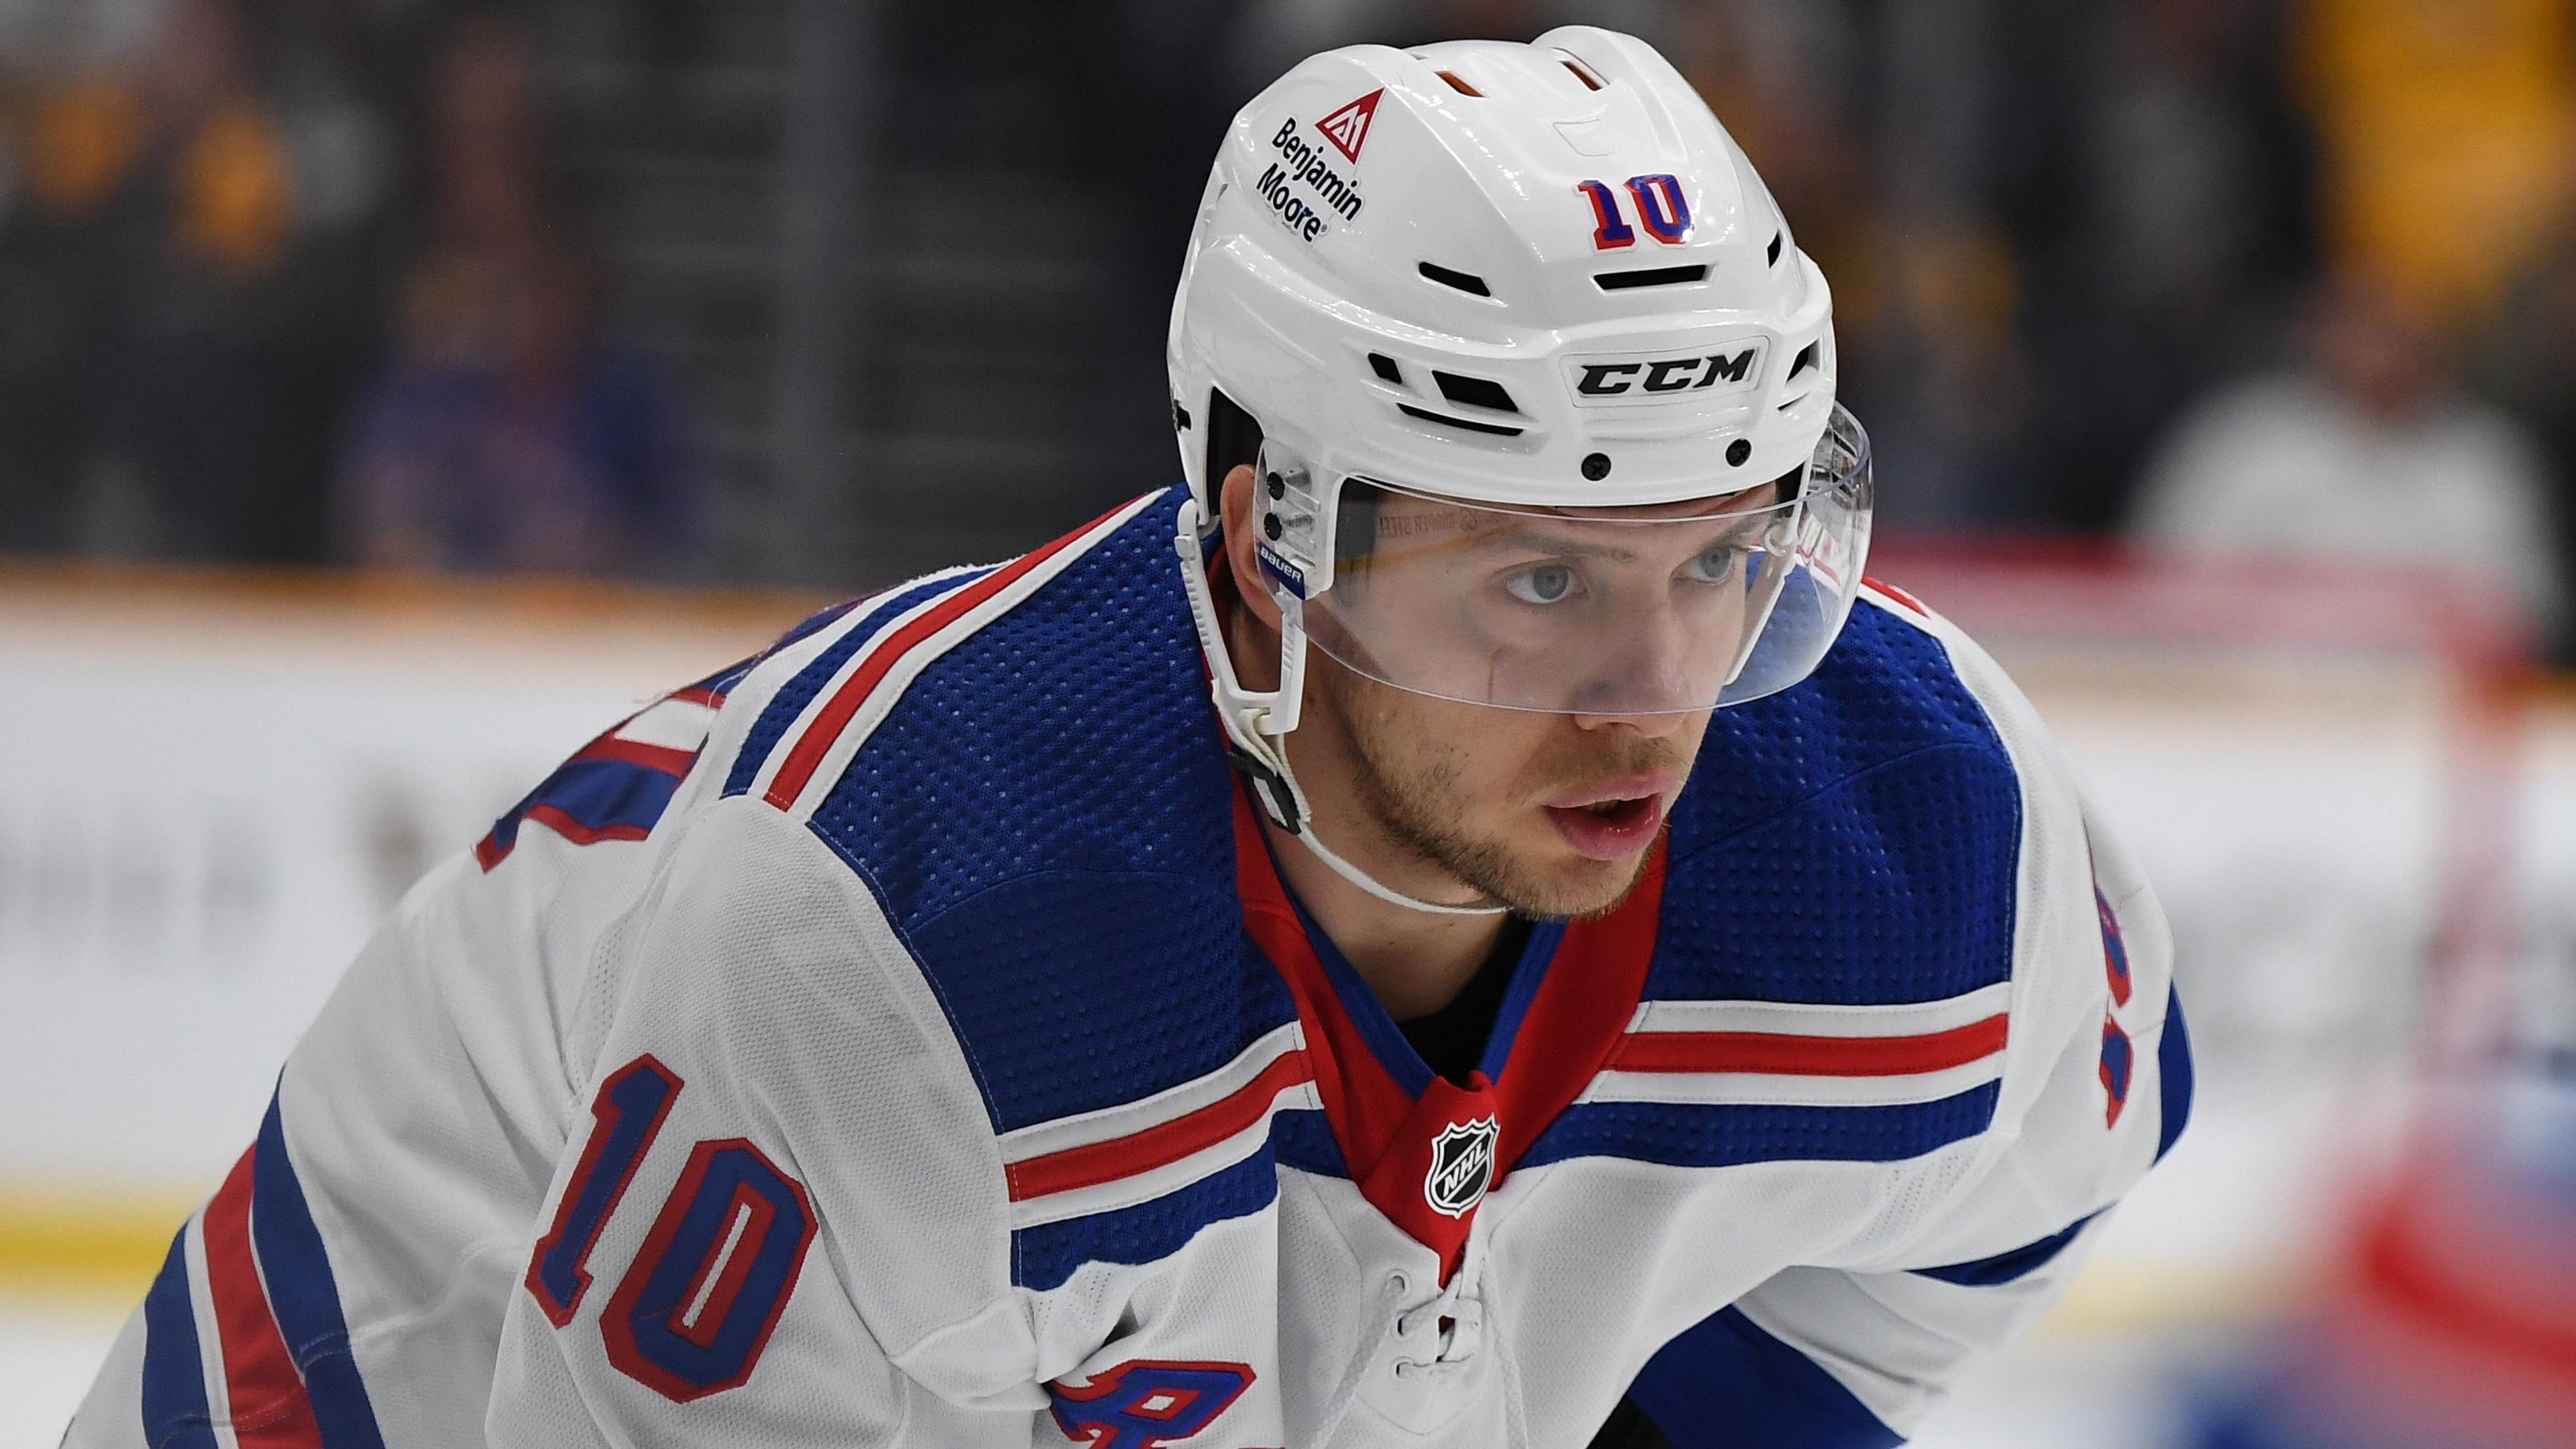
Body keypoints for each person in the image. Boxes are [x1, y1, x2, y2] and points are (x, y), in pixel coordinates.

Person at [65, 31, 2189, 1448]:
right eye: (1540, 582)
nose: (1654, 694)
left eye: (1721, 561)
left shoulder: (1914, 830)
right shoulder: (899, 935)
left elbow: (2048, 1167)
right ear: (1275, 538)